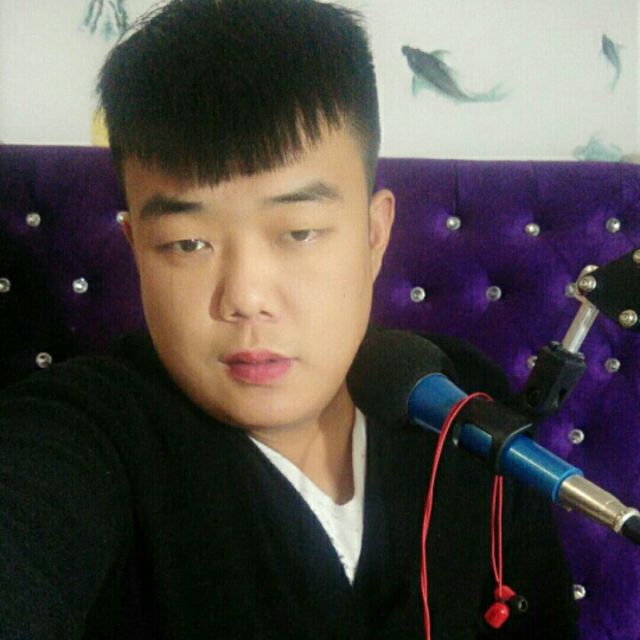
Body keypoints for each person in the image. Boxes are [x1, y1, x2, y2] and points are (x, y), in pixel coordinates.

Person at [1, 1, 578, 638]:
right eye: (187, 243)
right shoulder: (88, 431)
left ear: (374, 234)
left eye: (299, 232)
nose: (246, 297)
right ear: (137, 248)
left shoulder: (462, 400)